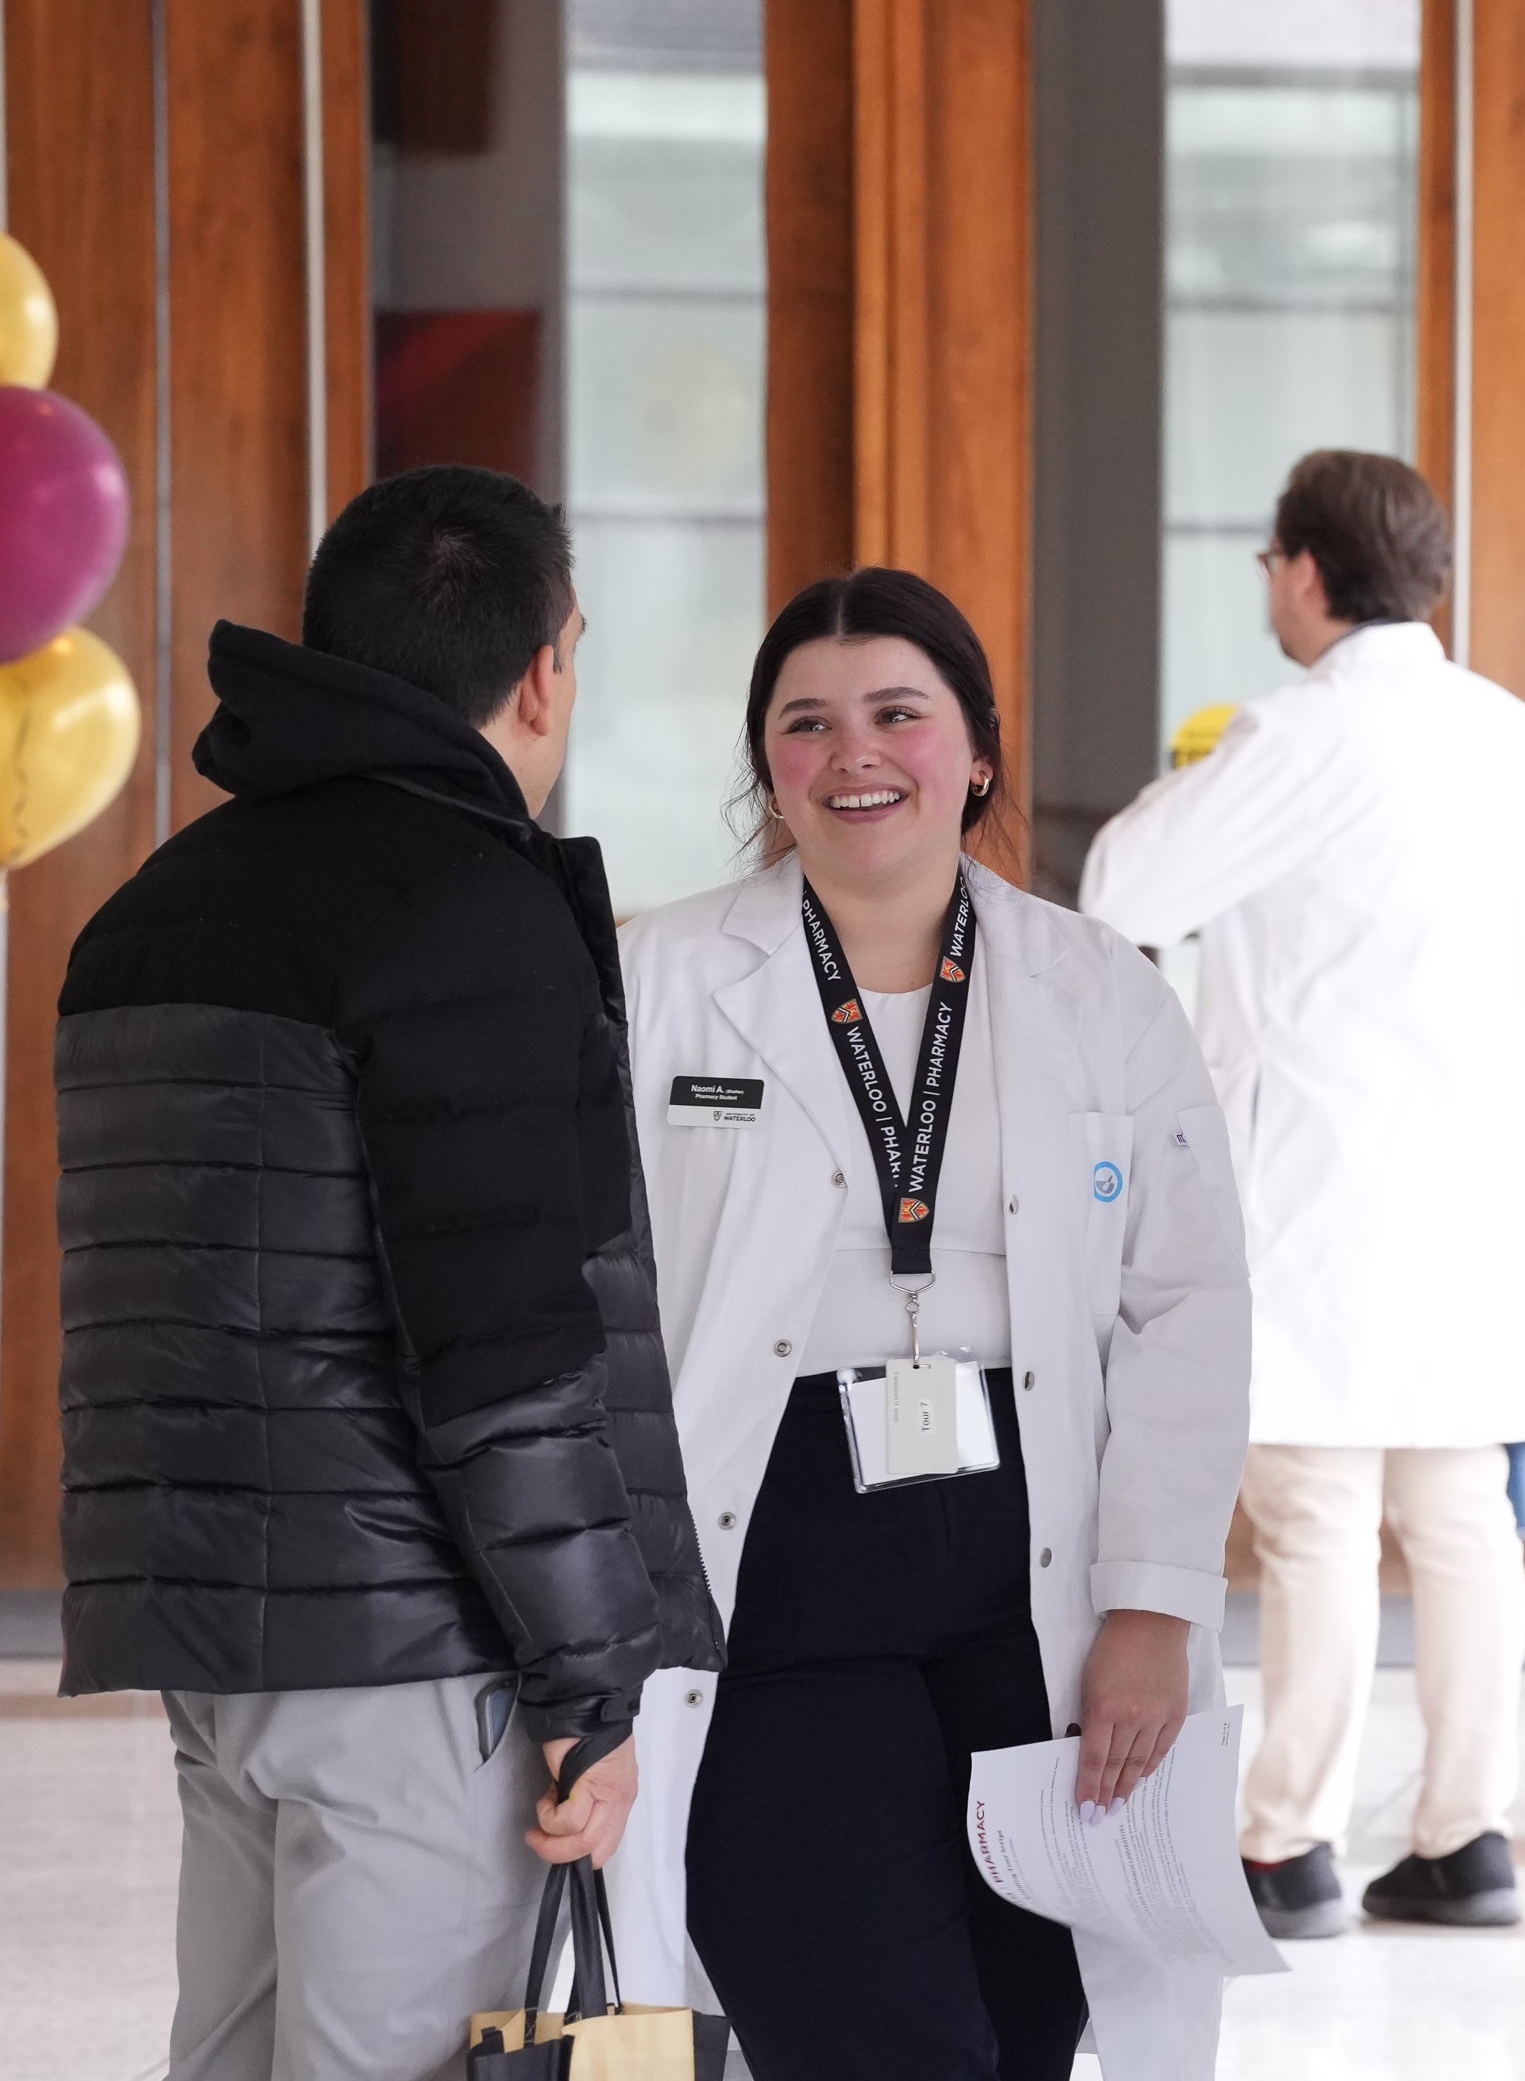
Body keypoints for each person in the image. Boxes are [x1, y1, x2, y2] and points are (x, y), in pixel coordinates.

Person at [55, 464, 718, 2081]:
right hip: (415, 1650)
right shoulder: (471, 907)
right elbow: (503, 1343)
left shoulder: (149, 911)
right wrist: (588, 1680)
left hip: (215, 1644)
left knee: (232, 2052)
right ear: (548, 663)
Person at [609, 568, 1252, 2080]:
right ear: (764, 762)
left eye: (900, 713)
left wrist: (1154, 1605)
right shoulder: (663, 980)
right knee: (877, 2037)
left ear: (977, 749)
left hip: (1034, 1588)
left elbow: (1188, 1303)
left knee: (1026, 2034)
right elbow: (593, 1304)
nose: (855, 756)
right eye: (806, 723)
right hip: (775, 1584)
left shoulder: (1100, 990)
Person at [1081, 450, 1525, 1935]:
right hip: (1483, 1194)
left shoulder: (1306, 733)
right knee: (1460, 1518)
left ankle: (1286, 1845)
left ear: (1305, 572)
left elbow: (1122, 886)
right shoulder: (1516, 736)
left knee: (1312, 1516)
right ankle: (1466, 1838)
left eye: (1268, 563)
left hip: (1326, 1188)